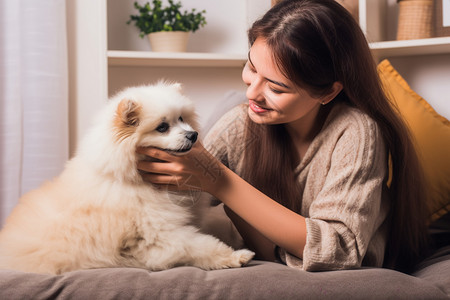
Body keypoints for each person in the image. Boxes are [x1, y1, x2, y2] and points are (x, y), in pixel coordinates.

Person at [137, 0, 429, 273]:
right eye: (251, 67)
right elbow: (171, 194)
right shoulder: (239, 123)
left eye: (276, 88)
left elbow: (339, 251)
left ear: (328, 92)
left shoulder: (357, 132)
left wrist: (219, 181)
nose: (251, 93)